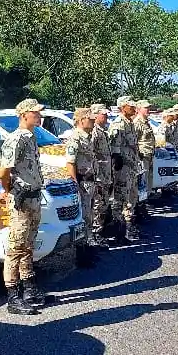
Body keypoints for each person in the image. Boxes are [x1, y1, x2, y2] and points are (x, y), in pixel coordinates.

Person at [0, 98, 48, 313]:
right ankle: (13, 295)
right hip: (22, 199)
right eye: (35, 113)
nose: (39, 115)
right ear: (24, 115)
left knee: (28, 244)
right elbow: (3, 172)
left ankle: (29, 288)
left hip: (34, 197)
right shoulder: (16, 139)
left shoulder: (31, 137)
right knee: (16, 247)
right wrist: (9, 191)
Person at [64, 107, 101, 268]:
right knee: (83, 218)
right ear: (81, 120)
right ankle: (81, 254)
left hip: (91, 182)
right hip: (83, 183)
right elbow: (70, 163)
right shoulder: (75, 138)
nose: (93, 121)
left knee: (89, 217)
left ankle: (87, 247)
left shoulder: (87, 137)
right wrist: (75, 184)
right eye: (90, 119)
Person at [108, 96, 142, 243]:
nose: (134, 108)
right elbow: (115, 152)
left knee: (132, 197)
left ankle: (130, 227)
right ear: (123, 107)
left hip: (131, 167)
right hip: (123, 169)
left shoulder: (130, 123)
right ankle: (120, 230)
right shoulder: (118, 125)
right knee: (120, 199)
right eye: (131, 106)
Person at [88, 103, 113, 249]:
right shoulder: (94, 132)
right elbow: (90, 156)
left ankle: (100, 233)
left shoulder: (102, 131)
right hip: (98, 176)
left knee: (103, 204)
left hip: (105, 175)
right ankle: (96, 235)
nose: (106, 116)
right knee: (97, 206)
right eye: (103, 114)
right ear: (95, 115)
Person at [133, 100, 157, 222]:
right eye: (145, 108)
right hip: (142, 158)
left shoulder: (146, 122)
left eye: (149, 107)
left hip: (149, 156)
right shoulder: (137, 123)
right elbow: (134, 142)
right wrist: (138, 156)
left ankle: (144, 206)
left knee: (148, 183)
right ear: (138, 109)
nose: (148, 109)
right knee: (142, 184)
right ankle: (140, 209)